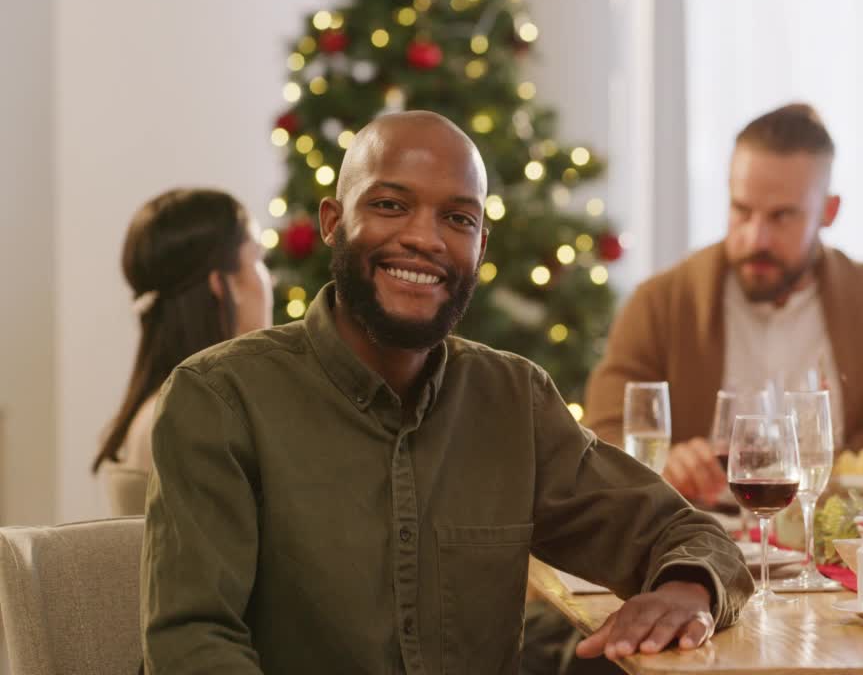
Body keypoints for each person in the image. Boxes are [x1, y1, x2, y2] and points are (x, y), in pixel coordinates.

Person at [140, 111, 753, 674]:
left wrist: (686, 590)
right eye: (389, 204)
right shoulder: (218, 399)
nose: (425, 239)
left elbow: (689, 533)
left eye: (458, 218)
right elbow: (193, 645)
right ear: (333, 222)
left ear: (480, 246)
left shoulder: (514, 401)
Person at [583, 103, 863, 505]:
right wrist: (666, 464)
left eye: (782, 216)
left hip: (835, 542)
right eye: (742, 210)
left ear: (828, 211)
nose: (756, 239)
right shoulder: (661, 303)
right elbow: (604, 433)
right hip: (696, 543)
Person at [91, 188, 272, 516]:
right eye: (258, 258)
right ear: (223, 284)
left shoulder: (155, 409)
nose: (268, 279)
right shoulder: (194, 417)